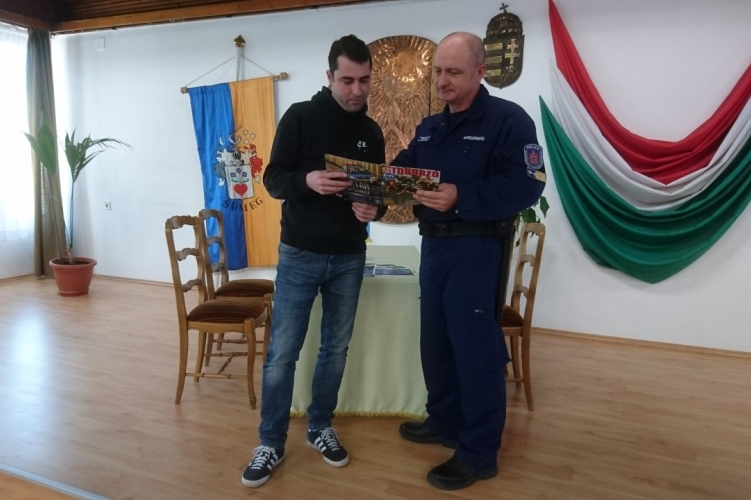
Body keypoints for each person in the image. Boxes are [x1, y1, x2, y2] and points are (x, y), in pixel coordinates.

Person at [393, 32, 546, 491]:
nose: (443, 80)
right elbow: (403, 170)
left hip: (477, 250)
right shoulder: (430, 127)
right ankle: (445, 421)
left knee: (475, 352)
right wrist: (371, 188)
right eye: (439, 71)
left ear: (481, 72)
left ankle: (479, 454)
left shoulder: (507, 121)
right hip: (435, 249)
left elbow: (528, 183)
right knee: (436, 343)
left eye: (454, 72)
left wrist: (463, 195)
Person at [241, 35, 385, 488]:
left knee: (335, 349)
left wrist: (373, 209)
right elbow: (273, 179)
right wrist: (307, 180)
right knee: (282, 354)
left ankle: (320, 426)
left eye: (364, 80)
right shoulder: (300, 116)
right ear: (329, 77)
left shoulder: (372, 132)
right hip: (300, 253)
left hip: (350, 256)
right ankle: (270, 441)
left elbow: (377, 195)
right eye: (347, 80)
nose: (357, 90)